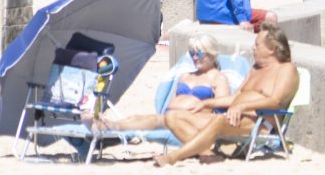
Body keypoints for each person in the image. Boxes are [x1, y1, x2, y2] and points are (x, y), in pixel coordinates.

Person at [156, 24, 299, 167]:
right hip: (233, 117)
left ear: (272, 49)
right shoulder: (255, 69)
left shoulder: (286, 69)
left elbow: (275, 101)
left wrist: (242, 107)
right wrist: (207, 103)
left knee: (218, 121)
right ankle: (208, 154)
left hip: (260, 123)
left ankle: (174, 157)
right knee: (173, 117)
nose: (253, 47)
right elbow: (235, 98)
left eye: (257, 44)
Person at [97, 35, 233, 131]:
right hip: (170, 116)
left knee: (153, 121)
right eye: (192, 53)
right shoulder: (185, 76)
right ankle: (108, 125)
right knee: (138, 117)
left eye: (200, 54)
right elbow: (173, 100)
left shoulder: (218, 78)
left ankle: (111, 128)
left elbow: (221, 106)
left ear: (212, 54)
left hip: (190, 121)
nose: (195, 57)